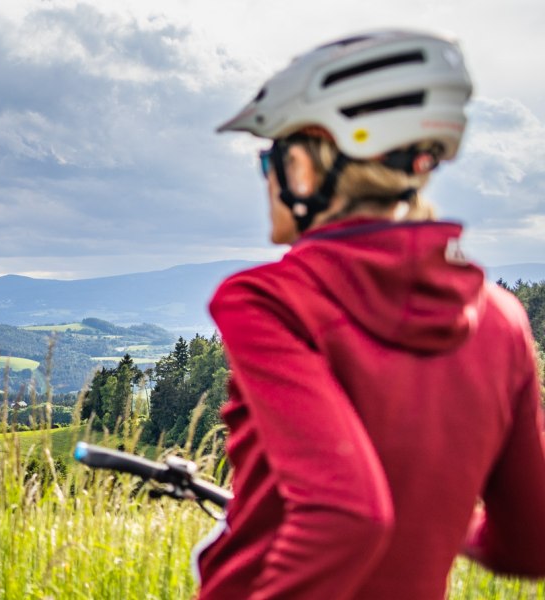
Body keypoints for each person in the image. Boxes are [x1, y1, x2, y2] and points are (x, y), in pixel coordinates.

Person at [200, 30, 545, 598]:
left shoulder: (271, 299)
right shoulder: (502, 319)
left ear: (307, 163)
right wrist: (442, 516)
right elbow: (530, 543)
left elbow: (348, 514)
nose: (267, 177)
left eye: (272, 157)